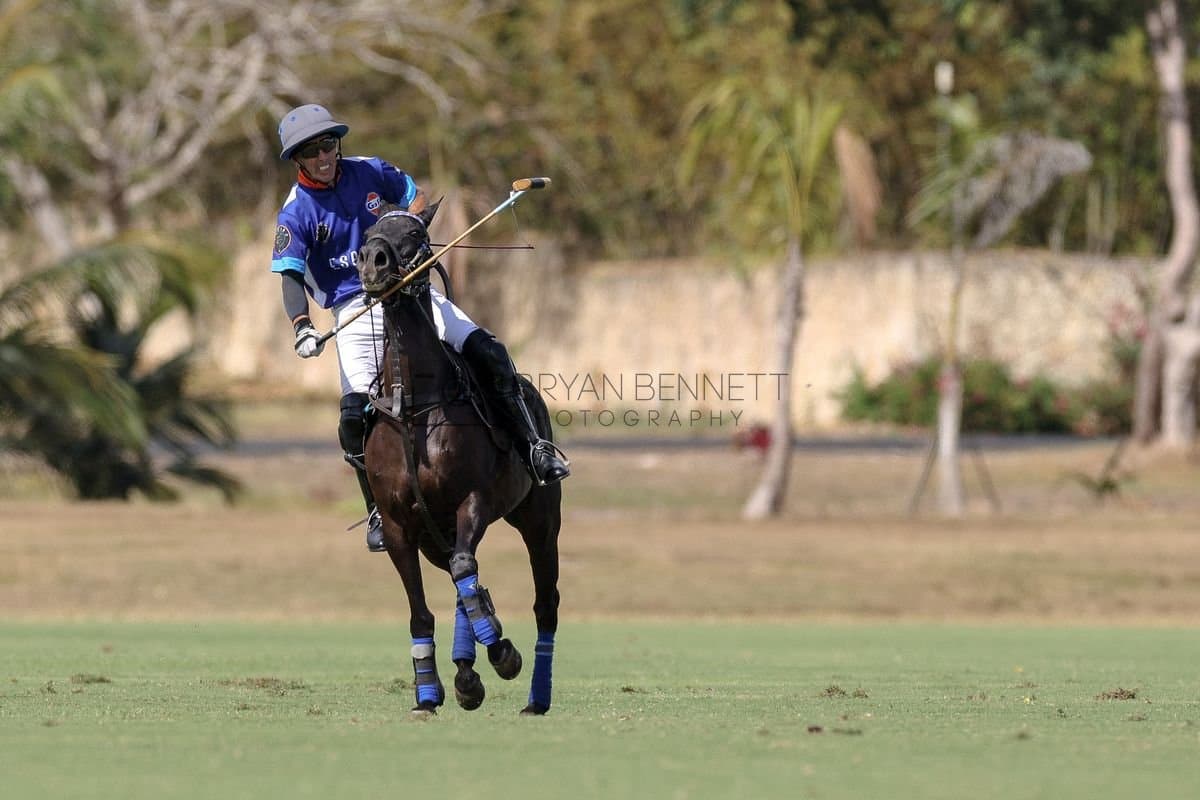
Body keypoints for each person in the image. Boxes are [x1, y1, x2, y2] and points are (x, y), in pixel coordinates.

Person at [271, 103, 569, 553]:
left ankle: (535, 450)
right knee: (353, 420)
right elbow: (290, 275)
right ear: (297, 159)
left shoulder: (369, 171)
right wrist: (300, 327)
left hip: (409, 294)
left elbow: (415, 197)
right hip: (354, 311)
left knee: (489, 352)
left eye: (328, 144)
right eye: (312, 151)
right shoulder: (295, 214)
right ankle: (376, 508)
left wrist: (410, 234)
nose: (324, 156)